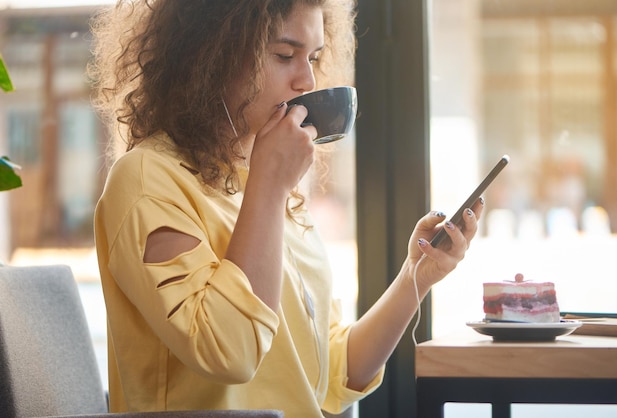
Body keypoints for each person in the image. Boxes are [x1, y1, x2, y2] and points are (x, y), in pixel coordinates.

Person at [89, 1, 484, 417]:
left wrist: (414, 278)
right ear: (210, 55)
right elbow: (229, 352)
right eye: (284, 56)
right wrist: (270, 186)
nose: (307, 79)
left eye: (313, 57)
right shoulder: (148, 179)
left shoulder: (271, 189)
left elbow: (334, 373)